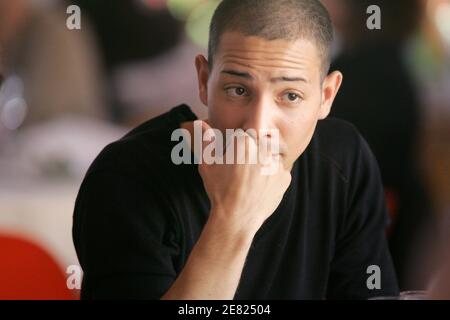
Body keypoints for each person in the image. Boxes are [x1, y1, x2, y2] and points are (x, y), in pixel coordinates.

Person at [73, 0, 399, 299]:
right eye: (238, 90)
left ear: (326, 95)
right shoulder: (127, 177)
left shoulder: (343, 161)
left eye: (290, 96)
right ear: (204, 80)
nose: (257, 127)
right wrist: (232, 219)